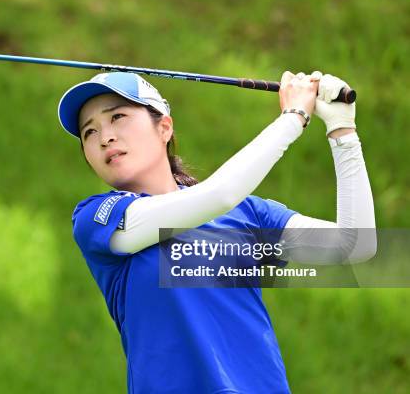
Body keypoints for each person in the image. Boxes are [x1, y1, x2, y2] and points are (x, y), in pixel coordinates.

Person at [57, 70, 376, 393]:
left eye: (118, 117)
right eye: (89, 132)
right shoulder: (98, 218)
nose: (104, 137)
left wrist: (343, 132)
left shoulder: (247, 215)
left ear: (164, 127)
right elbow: (218, 195)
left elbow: (354, 244)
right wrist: (293, 117)